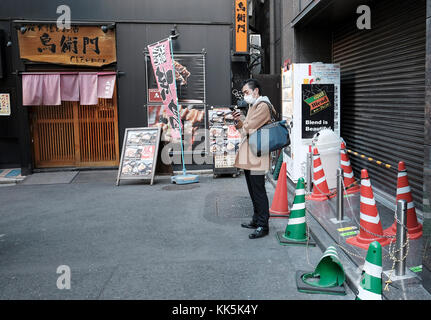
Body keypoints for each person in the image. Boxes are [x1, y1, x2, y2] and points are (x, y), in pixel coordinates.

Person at [232, 79, 276, 239]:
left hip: (257, 154)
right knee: (252, 189)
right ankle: (256, 219)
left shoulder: (263, 106)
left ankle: (263, 225)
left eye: (246, 92)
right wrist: (240, 121)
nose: (245, 96)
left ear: (256, 91)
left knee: (258, 191)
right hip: (250, 153)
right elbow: (245, 127)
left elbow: (248, 128)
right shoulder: (253, 105)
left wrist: (244, 125)